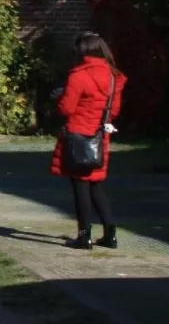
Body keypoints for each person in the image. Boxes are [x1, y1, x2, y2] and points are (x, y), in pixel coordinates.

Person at [51, 31, 126, 250]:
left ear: (82, 51)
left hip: (78, 136)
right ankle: (110, 233)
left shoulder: (79, 75)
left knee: (80, 186)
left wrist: (59, 97)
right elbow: (115, 110)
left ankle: (84, 235)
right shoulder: (113, 76)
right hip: (100, 136)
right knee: (96, 186)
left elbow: (67, 108)